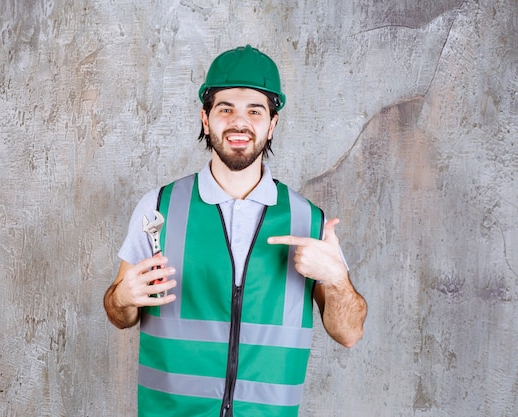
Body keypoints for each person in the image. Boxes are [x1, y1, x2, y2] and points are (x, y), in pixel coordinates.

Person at [104, 44, 367, 417]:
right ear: (206, 119)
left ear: (272, 124)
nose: (239, 122)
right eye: (225, 109)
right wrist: (123, 297)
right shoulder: (158, 209)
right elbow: (119, 316)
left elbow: (349, 334)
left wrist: (338, 280)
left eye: (254, 111)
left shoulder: (310, 224)